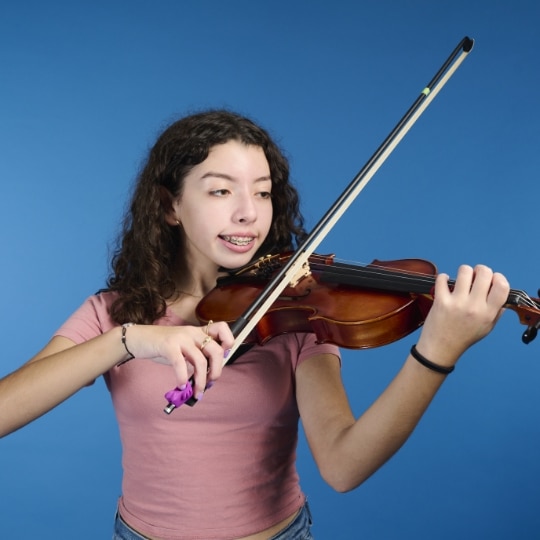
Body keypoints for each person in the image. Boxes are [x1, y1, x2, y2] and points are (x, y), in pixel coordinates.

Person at [0, 110, 510, 540]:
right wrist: (129, 340)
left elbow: (343, 465)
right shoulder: (112, 314)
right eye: (221, 191)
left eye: (263, 193)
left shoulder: (293, 315)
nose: (249, 213)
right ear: (170, 205)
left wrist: (436, 352)